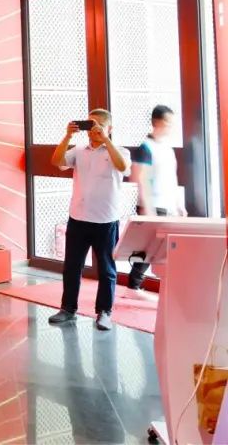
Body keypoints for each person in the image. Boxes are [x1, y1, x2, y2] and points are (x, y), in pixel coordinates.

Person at [49, 109, 131, 331]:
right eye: (91, 123)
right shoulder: (79, 150)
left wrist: (106, 141)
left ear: (110, 128)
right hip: (78, 217)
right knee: (72, 266)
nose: (94, 129)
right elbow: (57, 161)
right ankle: (68, 308)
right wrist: (67, 136)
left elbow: (123, 167)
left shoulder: (120, 151)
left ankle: (104, 312)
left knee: (106, 269)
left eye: (100, 125)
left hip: (106, 220)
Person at [127, 105, 186, 291]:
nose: (172, 127)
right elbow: (139, 179)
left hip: (168, 206)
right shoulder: (146, 147)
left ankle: (163, 287)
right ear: (158, 122)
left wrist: (179, 205)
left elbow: (172, 178)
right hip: (152, 206)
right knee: (147, 251)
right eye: (169, 122)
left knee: (165, 250)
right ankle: (133, 286)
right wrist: (148, 209)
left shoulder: (167, 148)